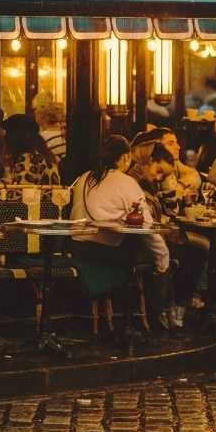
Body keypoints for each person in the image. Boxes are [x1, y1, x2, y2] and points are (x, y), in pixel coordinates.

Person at [69, 135, 169, 337]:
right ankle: (158, 319)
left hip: (77, 247)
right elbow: (147, 227)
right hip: (107, 251)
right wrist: (163, 259)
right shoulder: (126, 182)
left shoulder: (84, 177)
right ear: (125, 157)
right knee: (159, 258)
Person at [128, 131, 209, 331]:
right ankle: (174, 306)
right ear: (148, 160)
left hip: (153, 236)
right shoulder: (134, 182)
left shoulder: (148, 181)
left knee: (201, 246)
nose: (158, 177)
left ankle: (178, 304)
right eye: (158, 171)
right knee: (197, 249)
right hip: (140, 243)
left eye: (162, 175)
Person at [1, 114, 61, 185]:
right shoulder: (43, 154)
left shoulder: (28, 158)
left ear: (16, 137)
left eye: (8, 132)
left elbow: (22, 192)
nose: (5, 137)